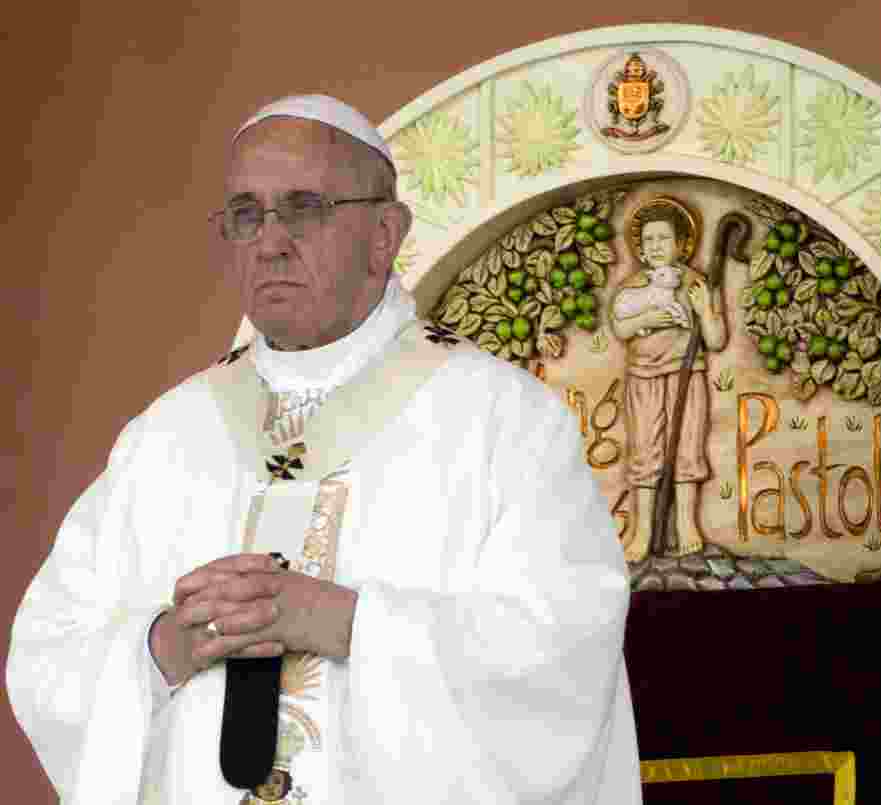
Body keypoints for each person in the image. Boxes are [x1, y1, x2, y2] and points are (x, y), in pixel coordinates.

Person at [7, 94, 641, 804]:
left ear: (384, 233)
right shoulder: (166, 436)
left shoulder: (503, 422)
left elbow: (562, 652)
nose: (271, 240)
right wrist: (161, 650)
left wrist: (349, 624)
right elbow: (48, 654)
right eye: (246, 213)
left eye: (304, 207)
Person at [610, 198, 725, 562]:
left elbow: (717, 339)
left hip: (686, 375)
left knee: (687, 446)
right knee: (646, 449)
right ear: (641, 250)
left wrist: (706, 308)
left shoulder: (695, 284)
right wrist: (648, 318)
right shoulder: (633, 287)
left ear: (681, 245)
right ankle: (643, 532)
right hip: (643, 377)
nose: (657, 246)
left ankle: (686, 524)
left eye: (664, 238)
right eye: (650, 240)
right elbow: (620, 327)